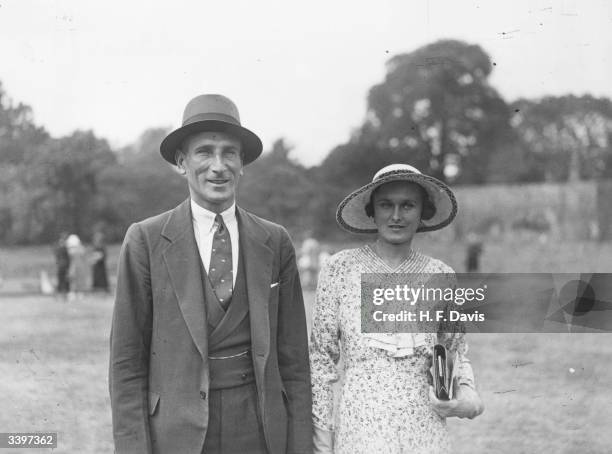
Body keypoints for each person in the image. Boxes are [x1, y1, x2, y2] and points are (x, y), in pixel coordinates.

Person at [109, 94, 312, 454]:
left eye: (229, 153)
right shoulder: (145, 239)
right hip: (177, 434)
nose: (218, 166)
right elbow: (126, 365)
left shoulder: (275, 240)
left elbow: (294, 360)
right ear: (181, 162)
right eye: (204, 151)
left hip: (259, 429)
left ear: (242, 163)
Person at [310, 164, 483, 454]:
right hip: (360, 433)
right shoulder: (340, 269)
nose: (396, 216)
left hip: (425, 435)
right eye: (386, 205)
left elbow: (454, 353)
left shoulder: (440, 275)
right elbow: (321, 361)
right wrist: (322, 442)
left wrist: (464, 398)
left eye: (408, 205)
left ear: (423, 212)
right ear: (372, 210)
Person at [66, 234, 88, 301]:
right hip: (76, 266)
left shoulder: (76, 249)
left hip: (76, 267)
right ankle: (74, 294)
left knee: (77, 281)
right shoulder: (80, 249)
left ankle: (78, 294)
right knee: (74, 281)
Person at [54, 232, 70, 296]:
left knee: (63, 279)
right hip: (63, 265)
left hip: (63, 265)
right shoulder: (64, 248)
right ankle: (62, 291)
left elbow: (57, 257)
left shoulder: (61, 247)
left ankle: (62, 291)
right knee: (63, 279)